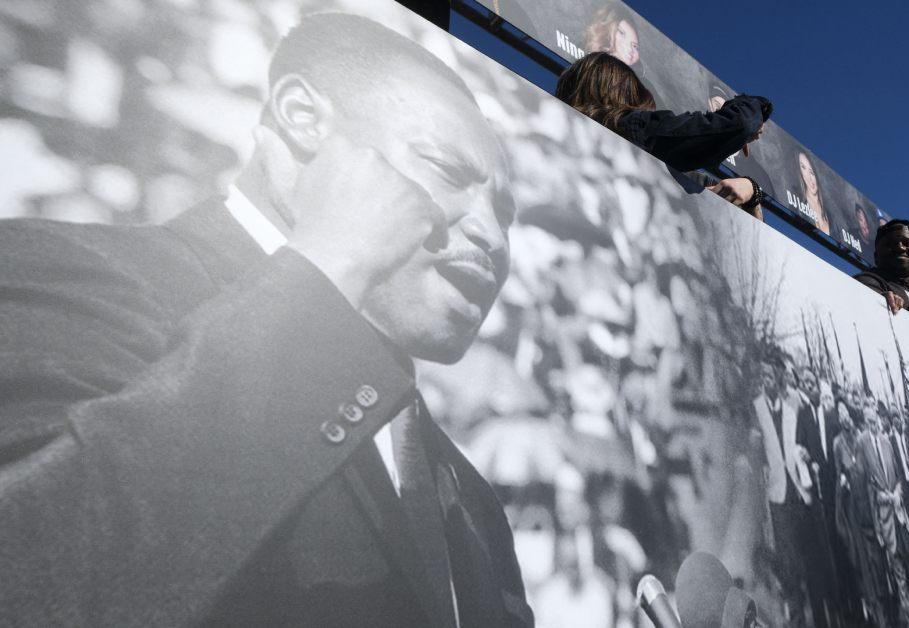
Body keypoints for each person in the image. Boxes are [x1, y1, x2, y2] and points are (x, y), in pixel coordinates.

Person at [0, 14, 532, 626]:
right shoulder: (65, 271)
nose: (491, 234)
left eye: (506, 214)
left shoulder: (467, 496)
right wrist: (328, 271)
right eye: (446, 170)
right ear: (303, 118)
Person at [554, 52, 771, 219]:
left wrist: (752, 192)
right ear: (621, 95)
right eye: (638, 103)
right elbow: (738, 123)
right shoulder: (632, 126)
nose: (646, 113)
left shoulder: (555, 141)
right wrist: (757, 108)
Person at [795, 151, 831, 234]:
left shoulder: (831, 217)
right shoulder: (797, 206)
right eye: (803, 168)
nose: (809, 177)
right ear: (800, 172)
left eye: (811, 172)